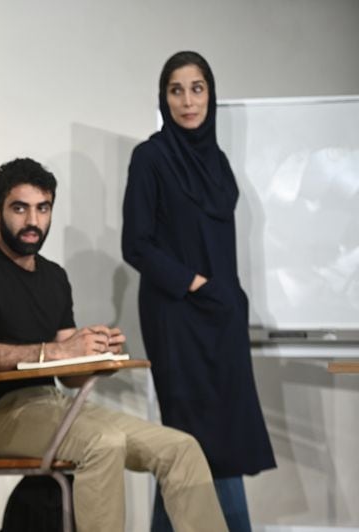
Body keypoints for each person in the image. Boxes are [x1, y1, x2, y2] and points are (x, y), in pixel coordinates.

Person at [0, 157, 227, 532]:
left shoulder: (55, 277)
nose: (33, 221)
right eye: (19, 208)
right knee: (104, 442)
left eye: (43, 208)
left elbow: (71, 375)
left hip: (57, 405)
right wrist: (57, 351)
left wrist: (94, 352)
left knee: (181, 448)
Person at [121, 51, 276, 531]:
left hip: (221, 318)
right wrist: (194, 283)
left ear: (210, 94)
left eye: (197, 88)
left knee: (205, 441)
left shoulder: (219, 163)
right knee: (199, 440)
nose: (188, 101)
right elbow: (136, 243)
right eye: (176, 90)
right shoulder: (151, 157)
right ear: (163, 98)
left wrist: (225, 296)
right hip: (177, 317)